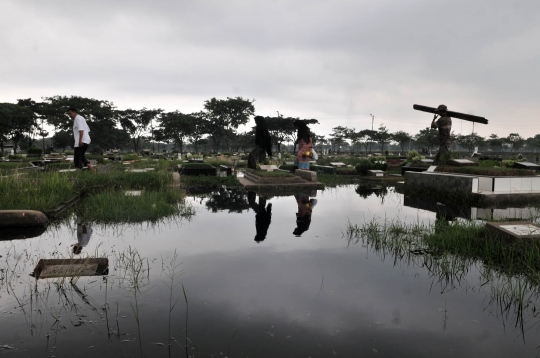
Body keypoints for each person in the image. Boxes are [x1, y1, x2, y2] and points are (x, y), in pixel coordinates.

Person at [67, 107, 95, 171]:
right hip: (85, 140)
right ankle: (91, 168)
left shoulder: (78, 119)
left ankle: (78, 171)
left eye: (70, 113)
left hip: (81, 141)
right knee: (81, 156)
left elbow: (81, 130)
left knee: (77, 158)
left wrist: (80, 141)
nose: (69, 115)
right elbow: (87, 129)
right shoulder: (81, 118)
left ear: (75, 112)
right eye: (68, 114)